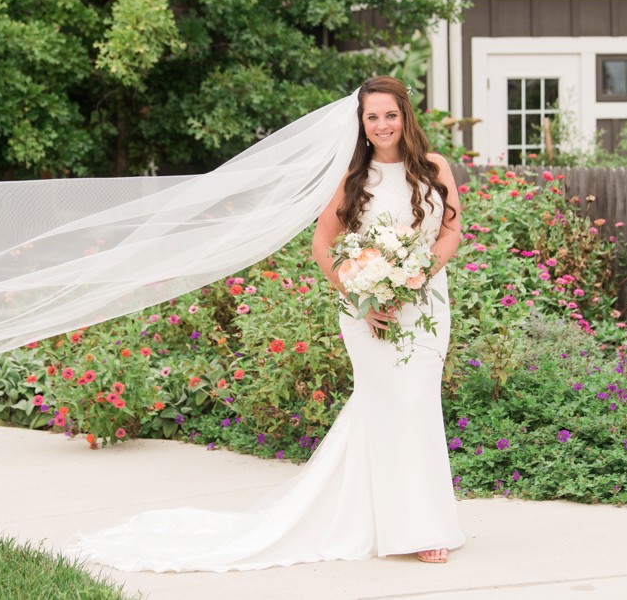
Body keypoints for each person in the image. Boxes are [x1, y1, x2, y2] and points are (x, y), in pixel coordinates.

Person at [61, 76, 465, 570]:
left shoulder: (434, 168)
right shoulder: (350, 178)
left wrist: (421, 272)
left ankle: (402, 518)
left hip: (425, 306)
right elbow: (322, 245)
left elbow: (450, 228)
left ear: (406, 116)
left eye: (390, 114)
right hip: (367, 312)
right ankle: (414, 526)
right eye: (372, 116)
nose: (382, 125)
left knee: (416, 404)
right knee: (392, 402)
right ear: (360, 123)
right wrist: (361, 295)